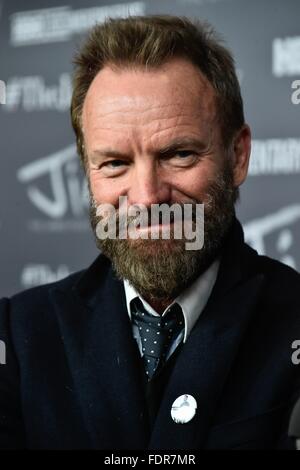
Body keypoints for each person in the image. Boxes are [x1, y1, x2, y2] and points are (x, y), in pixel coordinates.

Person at [0, 15, 300, 450]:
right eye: (115, 163)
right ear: (88, 171)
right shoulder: (19, 337)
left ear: (237, 156)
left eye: (178, 154)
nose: (146, 198)